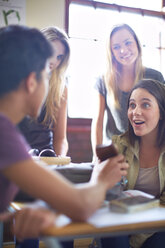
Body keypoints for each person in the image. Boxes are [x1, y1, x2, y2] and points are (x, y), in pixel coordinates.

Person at [0, 25, 129, 244]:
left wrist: (11, 216)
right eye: (45, 75)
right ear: (32, 82)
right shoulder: (5, 135)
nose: (52, 78)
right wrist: (102, 178)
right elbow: (81, 206)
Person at [101, 79, 165, 248]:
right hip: (122, 223)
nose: (135, 112)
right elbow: (106, 198)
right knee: (114, 233)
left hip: (158, 227)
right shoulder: (118, 146)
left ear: (162, 113)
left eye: (145, 105)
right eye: (132, 105)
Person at [91, 23, 164, 160]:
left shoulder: (155, 77)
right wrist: (97, 157)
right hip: (115, 153)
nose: (123, 50)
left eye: (128, 43)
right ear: (111, 52)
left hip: (149, 152)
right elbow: (98, 122)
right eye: (116, 47)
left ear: (137, 43)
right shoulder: (103, 81)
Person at [18, 26, 70, 156]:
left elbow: (60, 138)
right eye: (51, 53)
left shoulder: (61, 88)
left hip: (47, 156)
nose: (54, 61)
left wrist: (59, 160)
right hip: (18, 154)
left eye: (59, 57)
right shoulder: (17, 79)